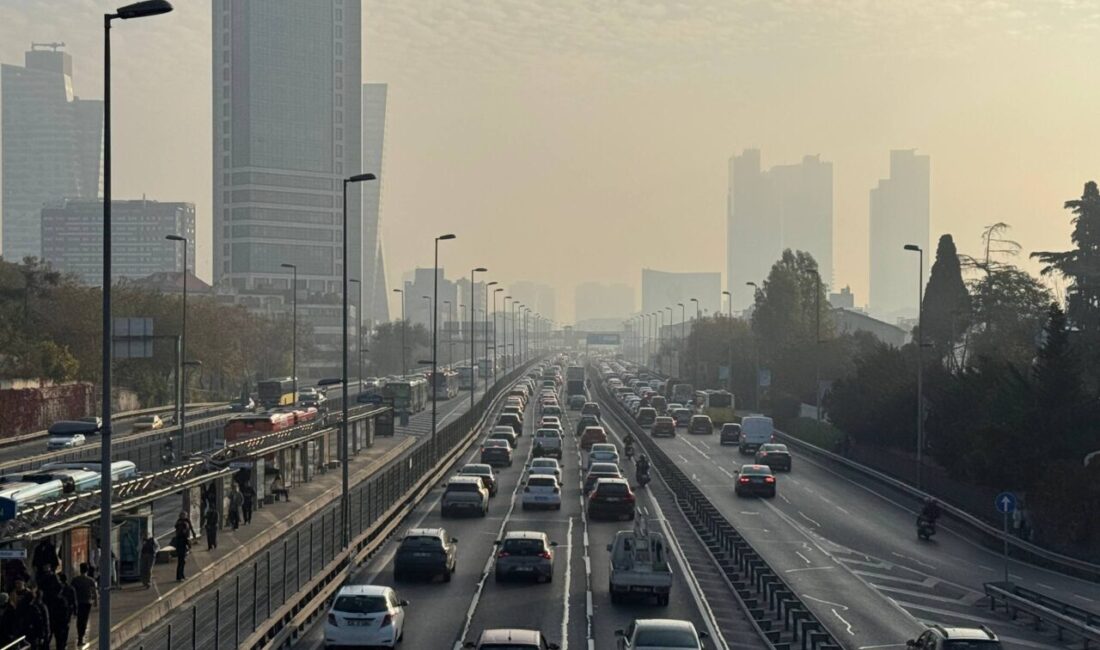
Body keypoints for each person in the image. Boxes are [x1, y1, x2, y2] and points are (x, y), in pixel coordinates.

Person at [70, 564, 96, 647]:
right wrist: (95, 602)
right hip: (87, 603)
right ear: (87, 570)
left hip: (78, 602)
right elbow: (94, 592)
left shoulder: (75, 580)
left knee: (79, 620)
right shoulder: (91, 580)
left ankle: (80, 636)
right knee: (84, 620)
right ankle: (81, 637)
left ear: (80, 570)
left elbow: (71, 591)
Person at [44, 575, 73, 650]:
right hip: (60, 624)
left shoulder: (46, 598)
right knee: (60, 643)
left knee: (46, 642)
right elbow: (65, 613)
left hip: (50, 621)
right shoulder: (62, 600)